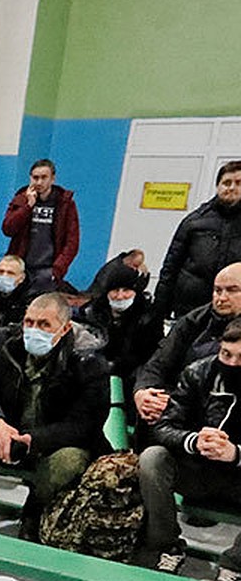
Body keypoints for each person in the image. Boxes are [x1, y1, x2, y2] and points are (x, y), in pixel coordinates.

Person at [0, 293, 109, 538]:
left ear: (65, 328)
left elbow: (85, 424)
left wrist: (34, 440)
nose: (34, 330)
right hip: (5, 434)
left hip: (52, 445)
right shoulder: (6, 341)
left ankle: (33, 516)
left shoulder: (89, 362)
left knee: (69, 460)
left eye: (45, 325)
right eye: (29, 322)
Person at [137, 320, 241, 581]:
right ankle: (166, 546)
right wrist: (193, 441)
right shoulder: (197, 373)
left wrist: (235, 453)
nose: (231, 363)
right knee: (153, 458)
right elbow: (164, 426)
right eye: (226, 354)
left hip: (237, 479)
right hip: (196, 468)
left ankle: (235, 564)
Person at [133, 262, 241, 430]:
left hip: (224, 413)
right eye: (217, 290)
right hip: (183, 405)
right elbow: (158, 363)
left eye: (232, 290)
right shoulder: (195, 320)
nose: (221, 298)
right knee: (152, 408)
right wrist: (143, 392)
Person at [153, 162, 241, 321]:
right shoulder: (195, 221)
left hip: (235, 313)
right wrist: (159, 311)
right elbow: (170, 268)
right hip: (190, 310)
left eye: (239, 183)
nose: (232, 188)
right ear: (218, 186)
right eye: (226, 183)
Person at [1, 158, 80, 293]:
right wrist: (28, 206)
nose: (39, 182)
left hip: (47, 270)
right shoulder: (21, 199)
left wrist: (57, 270)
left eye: (44, 177)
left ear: (52, 179)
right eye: (35, 178)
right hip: (21, 267)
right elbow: (8, 229)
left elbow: (72, 241)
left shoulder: (65, 203)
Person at [75, 261, 161, 378]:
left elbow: (151, 358)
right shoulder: (91, 314)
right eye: (115, 290)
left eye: (126, 290)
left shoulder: (148, 319)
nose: (120, 296)